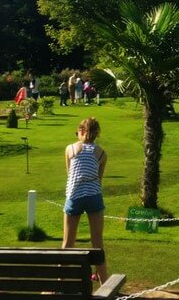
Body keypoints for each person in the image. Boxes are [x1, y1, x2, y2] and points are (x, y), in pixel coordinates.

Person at [63, 117, 108, 282]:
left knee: (68, 243)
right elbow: (98, 179)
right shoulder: (102, 153)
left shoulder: (70, 148)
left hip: (74, 195)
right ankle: (104, 282)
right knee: (97, 243)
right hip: (94, 196)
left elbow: (70, 175)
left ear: (81, 131)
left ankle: (59, 282)